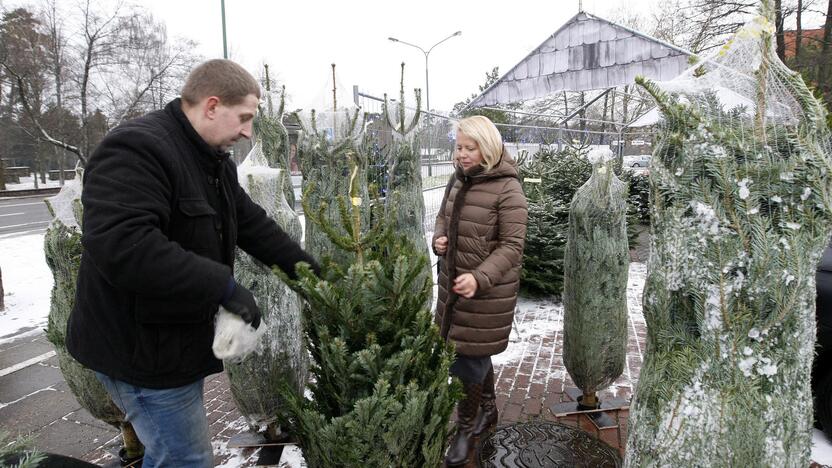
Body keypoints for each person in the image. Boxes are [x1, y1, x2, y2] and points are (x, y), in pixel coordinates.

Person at [66, 59, 320, 468]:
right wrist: (224, 287)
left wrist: (311, 274)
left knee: (178, 454)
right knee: (186, 459)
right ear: (212, 105)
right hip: (139, 351)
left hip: (171, 345)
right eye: (245, 117)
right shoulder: (137, 149)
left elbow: (250, 223)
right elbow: (125, 247)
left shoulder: (211, 160)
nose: (247, 131)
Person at [432, 115, 528, 466]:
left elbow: (512, 247)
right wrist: (438, 239)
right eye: (458, 147)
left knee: (466, 361)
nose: (461, 154)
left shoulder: (508, 189)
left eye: (469, 148)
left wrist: (479, 278)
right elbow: (443, 215)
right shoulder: (458, 180)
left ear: (486, 148)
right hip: (453, 288)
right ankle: (488, 410)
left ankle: (466, 428)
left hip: (485, 293)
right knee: (473, 353)